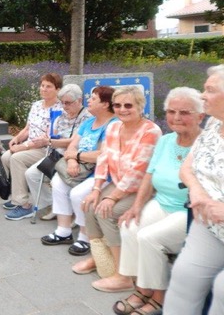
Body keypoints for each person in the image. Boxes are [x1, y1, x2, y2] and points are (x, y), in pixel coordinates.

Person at [112, 87, 204, 315]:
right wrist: (136, 207)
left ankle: (160, 298)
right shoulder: (165, 140)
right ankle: (142, 289)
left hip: (190, 212)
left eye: (184, 112)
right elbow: (149, 175)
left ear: (200, 116)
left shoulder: (206, 145)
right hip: (162, 202)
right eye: (171, 112)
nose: (176, 117)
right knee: (129, 226)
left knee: (149, 238)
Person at [73, 85, 162, 293]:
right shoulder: (114, 128)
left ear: (140, 106)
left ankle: (123, 275)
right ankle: (99, 258)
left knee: (106, 211)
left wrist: (111, 198)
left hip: (142, 188)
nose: (122, 109)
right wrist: (96, 189)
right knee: (88, 204)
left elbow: (138, 171)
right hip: (119, 183)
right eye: (118, 105)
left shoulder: (150, 131)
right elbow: (104, 159)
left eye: (128, 105)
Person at [165, 65, 224, 315]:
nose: (202, 95)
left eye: (210, 90)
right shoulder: (214, 124)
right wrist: (197, 191)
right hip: (209, 223)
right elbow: (187, 167)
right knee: (184, 275)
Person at [40, 85, 116, 256]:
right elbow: (72, 146)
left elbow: (103, 155)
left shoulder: (113, 125)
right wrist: (72, 160)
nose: (89, 101)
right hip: (81, 167)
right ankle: (63, 231)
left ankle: (85, 237)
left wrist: (77, 156)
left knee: (77, 194)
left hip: (102, 172)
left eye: (93, 99)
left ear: (105, 104)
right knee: (57, 182)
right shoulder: (89, 122)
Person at [1, 73, 63, 221]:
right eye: (42, 85)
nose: (44, 89)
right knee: (5, 157)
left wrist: (22, 147)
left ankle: (23, 205)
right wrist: (16, 139)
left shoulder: (58, 110)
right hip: (30, 146)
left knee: (16, 158)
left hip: (46, 149)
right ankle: (18, 195)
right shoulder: (36, 105)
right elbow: (28, 128)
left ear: (58, 89)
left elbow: (45, 139)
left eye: (49, 86)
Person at [24, 83, 92, 218]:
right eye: (62, 102)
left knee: (59, 180)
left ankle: (70, 212)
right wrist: (48, 138)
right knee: (31, 174)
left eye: (68, 103)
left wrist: (49, 141)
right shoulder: (62, 115)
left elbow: (74, 141)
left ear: (79, 100)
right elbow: (54, 134)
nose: (64, 106)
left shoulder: (87, 117)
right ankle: (52, 205)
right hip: (57, 154)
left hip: (75, 157)